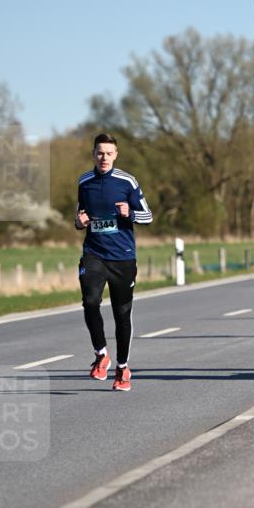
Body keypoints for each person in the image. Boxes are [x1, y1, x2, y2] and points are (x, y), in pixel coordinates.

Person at [75, 133, 153, 391]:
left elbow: (148, 216)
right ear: (93, 154)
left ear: (116, 155)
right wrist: (79, 222)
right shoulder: (84, 182)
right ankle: (101, 355)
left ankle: (122, 368)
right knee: (90, 301)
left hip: (123, 257)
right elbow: (79, 216)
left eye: (109, 153)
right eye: (100, 152)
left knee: (121, 314)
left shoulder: (127, 181)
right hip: (94, 253)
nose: (104, 157)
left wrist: (130, 213)